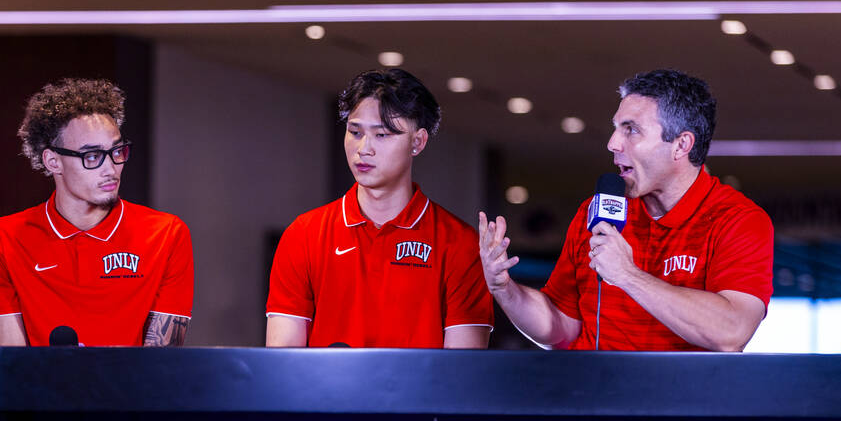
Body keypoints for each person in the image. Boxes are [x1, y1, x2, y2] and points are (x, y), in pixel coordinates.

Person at [479, 69, 773, 351]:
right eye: (616, 128)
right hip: (592, 396)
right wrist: (505, 289)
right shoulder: (595, 212)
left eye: (631, 130)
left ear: (681, 144)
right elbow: (560, 328)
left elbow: (731, 332)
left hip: (679, 400)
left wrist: (628, 275)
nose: (612, 143)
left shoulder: (738, 221)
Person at [266, 68, 492, 348]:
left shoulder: (459, 243)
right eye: (355, 131)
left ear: (418, 142)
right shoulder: (304, 234)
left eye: (382, 135)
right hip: (324, 393)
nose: (364, 148)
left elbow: (462, 373)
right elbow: (282, 361)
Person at [0, 77, 193, 346]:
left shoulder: (167, 234)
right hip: (39, 389)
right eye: (92, 156)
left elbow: (162, 365)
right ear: (53, 161)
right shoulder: (1, 239)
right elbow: (9, 366)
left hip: (134, 389)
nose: (111, 168)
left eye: (117, 151)